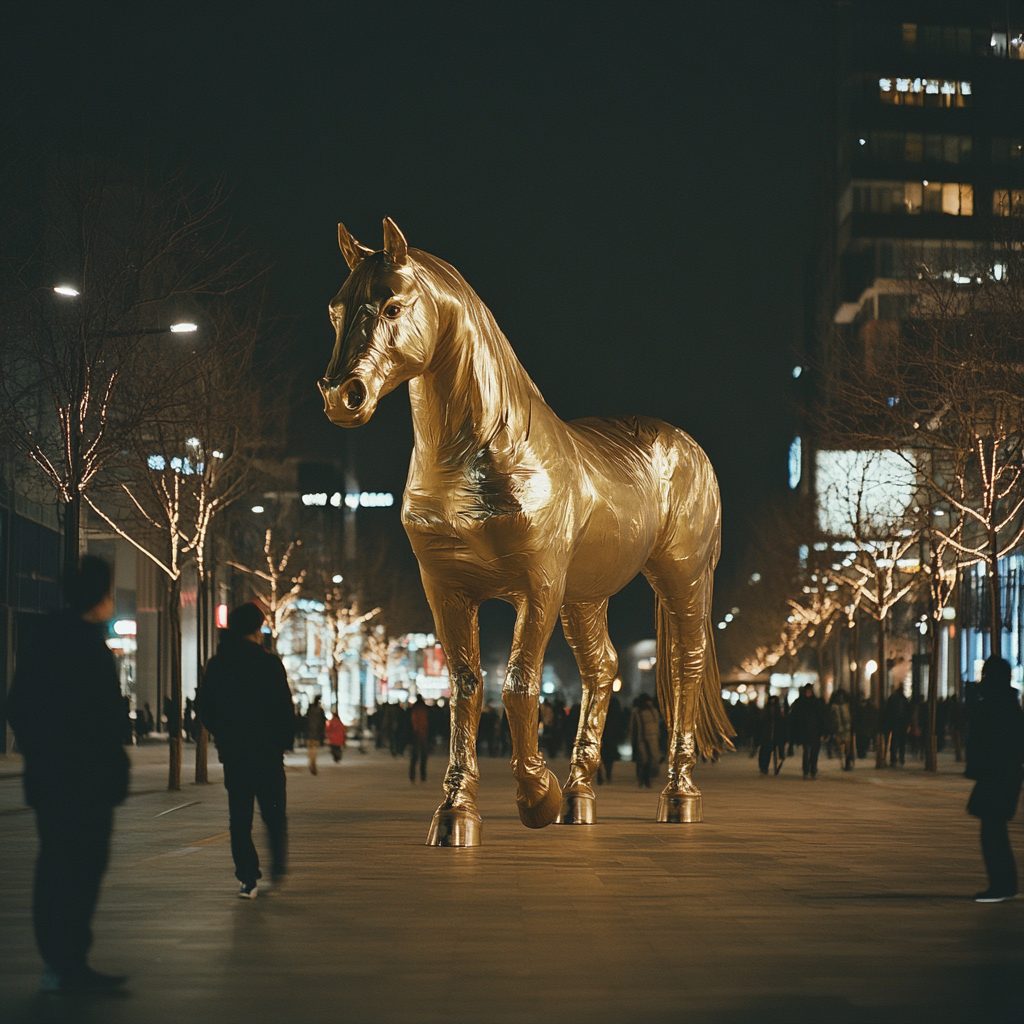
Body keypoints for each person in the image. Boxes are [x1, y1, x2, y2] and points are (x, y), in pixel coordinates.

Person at [5, 556, 130, 995]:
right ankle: (66, 963)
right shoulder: (80, 643)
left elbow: (19, 705)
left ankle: (65, 961)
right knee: (76, 869)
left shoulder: (51, 637)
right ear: (98, 596)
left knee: (60, 865)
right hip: (82, 780)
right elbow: (95, 717)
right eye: (110, 591)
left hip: (58, 777)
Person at [196, 603, 294, 899]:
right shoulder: (268, 663)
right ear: (255, 630)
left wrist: (224, 736)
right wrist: (281, 742)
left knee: (239, 818)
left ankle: (247, 876)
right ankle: (277, 866)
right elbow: (284, 708)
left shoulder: (218, 663)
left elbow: (204, 707)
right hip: (266, 753)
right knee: (274, 813)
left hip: (235, 754)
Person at [965, 657, 1024, 902]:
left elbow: (988, 737)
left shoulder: (998, 704)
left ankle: (1002, 884)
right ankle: (1004, 883)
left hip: (997, 775)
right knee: (993, 829)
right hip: (1002, 774)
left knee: (992, 831)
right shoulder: (1007, 703)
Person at [789, 684, 828, 778]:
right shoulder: (800, 703)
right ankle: (806, 770)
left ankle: (813, 769)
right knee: (806, 751)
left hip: (815, 731)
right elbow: (794, 717)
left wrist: (823, 731)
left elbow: (822, 718)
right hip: (805, 731)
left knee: (814, 752)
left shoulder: (816, 703)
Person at [630, 693, 660, 788]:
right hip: (641, 738)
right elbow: (633, 726)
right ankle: (643, 778)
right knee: (643, 759)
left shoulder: (653, 711)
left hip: (652, 738)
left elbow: (657, 723)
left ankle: (646, 778)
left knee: (652, 759)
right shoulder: (637, 711)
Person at [757, 694, 787, 776]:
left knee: (770, 752)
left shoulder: (778, 713)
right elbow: (760, 723)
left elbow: (782, 724)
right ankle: (764, 767)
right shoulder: (766, 711)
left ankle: (766, 767)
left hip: (774, 735)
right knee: (765, 752)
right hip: (767, 735)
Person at [883, 683, 911, 766]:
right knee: (900, 742)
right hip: (900, 723)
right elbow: (908, 712)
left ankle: (894, 759)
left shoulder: (894, 698)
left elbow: (888, 711)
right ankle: (899, 758)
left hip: (896, 723)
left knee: (895, 742)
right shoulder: (903, 699)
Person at [408, 695, 430, 782]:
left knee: (414, 756)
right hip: (423, 734)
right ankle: (422, 775)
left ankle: (412, 775)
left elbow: (412, 723)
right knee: (423, 756)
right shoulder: (424, 710)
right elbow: (427, 723)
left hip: (416, 734)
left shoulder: (414, 710)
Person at [306, 695, 327, 775]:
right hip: (316, 734)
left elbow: (306, 721)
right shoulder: (320, 711)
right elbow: (322, 724)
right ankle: (313, 766)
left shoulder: (310, 710)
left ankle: (311, 765)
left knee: (310, 750)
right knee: (314, 750)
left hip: (309, 733)